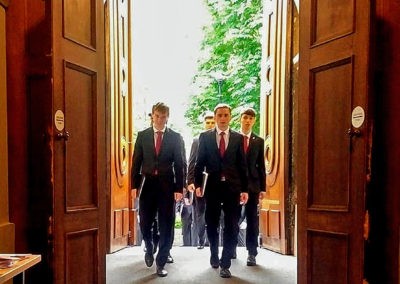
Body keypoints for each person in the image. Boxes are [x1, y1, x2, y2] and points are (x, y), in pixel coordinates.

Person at [192, 103, 248, 278]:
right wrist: (198, 185)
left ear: (230, 117)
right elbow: (198, 162)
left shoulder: (238, 138)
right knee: (212, 223)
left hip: (233, 188)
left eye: (226, 115)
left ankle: (226, 263)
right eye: (220, 115)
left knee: (232, 225)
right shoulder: (205, 137)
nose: (223, 118)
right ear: (215, 117)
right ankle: (214, 253)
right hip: (213, 188)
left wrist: (245, 189)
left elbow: (242, 166)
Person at [131, 102, 184, 277]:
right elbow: (136, 162)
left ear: (167, 117)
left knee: (167, 224)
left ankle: (161, 262)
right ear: (152, 116)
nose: (160, 119)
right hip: (147, 185)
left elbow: (180, 164)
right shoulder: (143, 136)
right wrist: (134, 186)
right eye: (157, 116)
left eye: (163, 116)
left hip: (167, 186)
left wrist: (179, 188)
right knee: (145, 221)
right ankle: (149, 244)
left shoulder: (175, 137)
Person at [238, 107, 266, 266]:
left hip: (253, 186)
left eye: (251, 118)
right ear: (240, 119)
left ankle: (252, 252)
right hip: (235, 185)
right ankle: (231, 248)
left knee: (252, 220)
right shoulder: (233, 138)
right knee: (232, 218)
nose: (248, 120)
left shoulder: (259, 141)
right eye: (245, 117)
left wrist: (262, 188)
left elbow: (260, 165)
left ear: (254, 120)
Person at [187, 111, 215, 249]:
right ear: (204, 124)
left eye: (212, 122)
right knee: (200, 212)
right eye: (208, 122)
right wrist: (190, 182)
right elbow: (191, 162)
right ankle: (201, 240)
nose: (210, 125)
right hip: (200, 181)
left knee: (214, 212)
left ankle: (212, 240)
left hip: (215, 183)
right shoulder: (197, 141)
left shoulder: (219, 139)